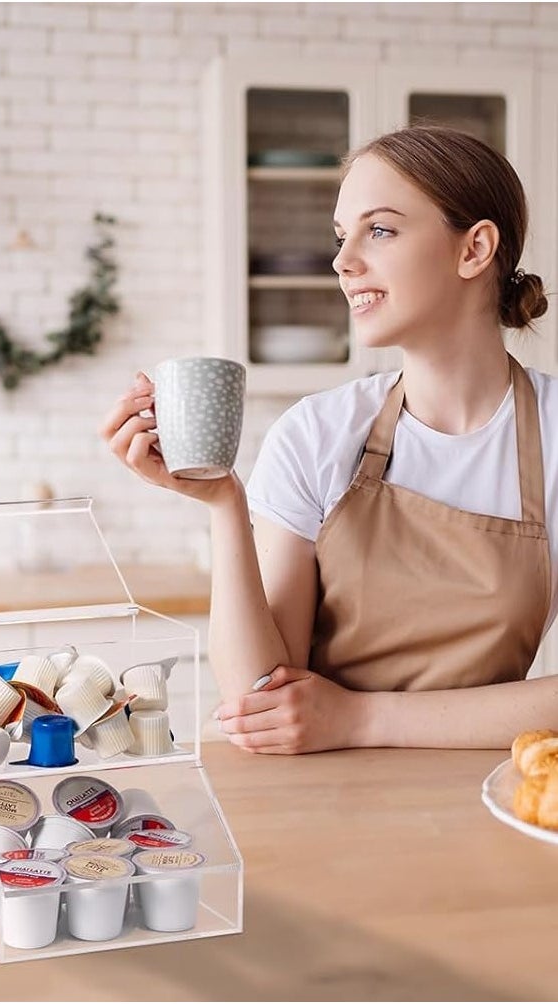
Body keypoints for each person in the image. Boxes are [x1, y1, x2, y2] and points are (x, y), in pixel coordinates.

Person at [100, 124, 558, 755]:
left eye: (381, 230)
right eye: (342, 237)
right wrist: (224, 504)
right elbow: (257, 699)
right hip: (312, 794)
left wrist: (357, 719)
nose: (343, 262)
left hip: (482, 794)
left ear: (474, 249)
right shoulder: (316, 434)